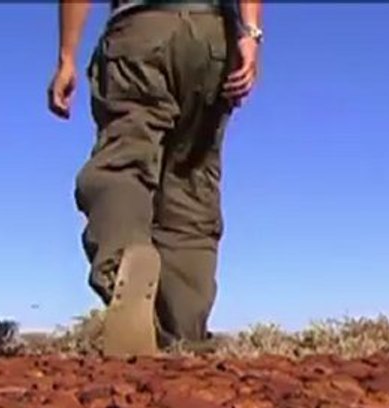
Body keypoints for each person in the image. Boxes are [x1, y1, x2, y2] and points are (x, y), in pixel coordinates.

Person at [48, 0, 263, 357]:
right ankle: (182, 328)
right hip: (212, 35)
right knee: (190, 181)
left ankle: (124, 269)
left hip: (140, 30)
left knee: (124, 164)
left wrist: (66, 58)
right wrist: (251, 34)